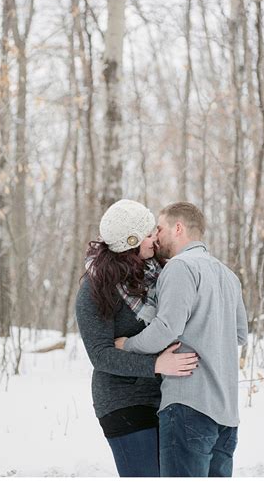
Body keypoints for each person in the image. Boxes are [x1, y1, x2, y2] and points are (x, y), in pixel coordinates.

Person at [115, 201, 248, 477]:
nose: (156, 236)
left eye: (160, 228)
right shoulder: (229, 276)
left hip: (188, 407)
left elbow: (166, 328)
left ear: (178, 228)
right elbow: (239, 334)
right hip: (226, 417)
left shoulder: (179, 267)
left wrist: (128, 345)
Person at [75, 199, 199, 478]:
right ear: (130, 243)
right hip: (122, 400)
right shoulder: (96, 289)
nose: (155, 236)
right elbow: (101, 354)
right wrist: (156, 365)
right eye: (147, 234)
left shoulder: (161, 273)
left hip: (165, 396)